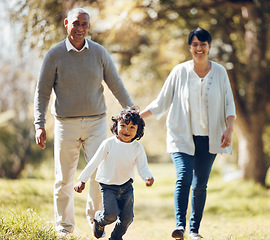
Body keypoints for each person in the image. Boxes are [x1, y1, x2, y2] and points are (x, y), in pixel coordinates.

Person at [34, 8, 134, 236]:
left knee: (100, 173)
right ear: (67, 23)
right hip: (65, 124)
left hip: (96, 123)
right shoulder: (54, 55)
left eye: (85, 24)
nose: (80, 29)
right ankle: (64, 226)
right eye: (76, 23)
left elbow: (115, 84)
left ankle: (96, 219)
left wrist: (131, 109)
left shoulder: (98, 53)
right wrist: (39, 124)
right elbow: (42, 92)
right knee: (64, 178)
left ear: (89, 26)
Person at [140, 28, 236, 240]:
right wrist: (137, 117)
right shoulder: (179, 72)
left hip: (210, 139)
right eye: (194, 44)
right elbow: (161, 102)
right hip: (182, 137)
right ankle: (180, 226)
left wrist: (229, 128)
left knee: (200, 183)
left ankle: (194, 230)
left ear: (209, 46)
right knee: (183, 177)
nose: (199, 48)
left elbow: (229, 103)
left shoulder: (220, 72)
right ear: (190, 47)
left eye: (203, 44)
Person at [74, 106, 154, 240]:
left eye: (132, 127)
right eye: (123, 125)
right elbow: (94, 162)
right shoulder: (108, 144)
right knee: (110, 216)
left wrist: (147, 177)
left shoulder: (137, 148)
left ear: (138, 130)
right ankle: (99, 220)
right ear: (116, 126)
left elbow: (142, 167)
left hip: (126, 186)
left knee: (127, 218)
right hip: (108, 186)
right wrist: (82, 180)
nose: (126, 130)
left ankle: (116, 238)